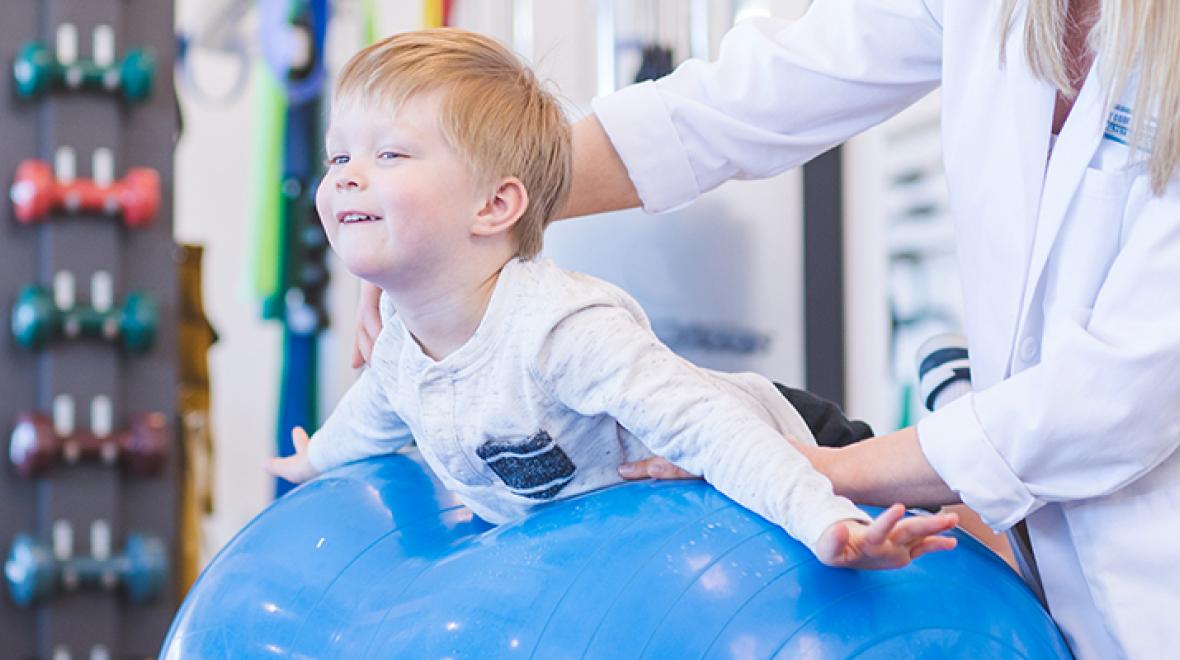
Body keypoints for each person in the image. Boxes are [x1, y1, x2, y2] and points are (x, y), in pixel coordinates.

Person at [266, 28, 960, 570]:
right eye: (338, 158)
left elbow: (711, 430)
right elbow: (375, 412)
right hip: (629, 538)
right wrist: (314, 459)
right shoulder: (401, 342)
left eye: (388, 155)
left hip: (783, 444)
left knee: (975, 524)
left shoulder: (559, 331)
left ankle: (959, 397)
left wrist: (828, 519)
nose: (347, 176)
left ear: (495, 205)